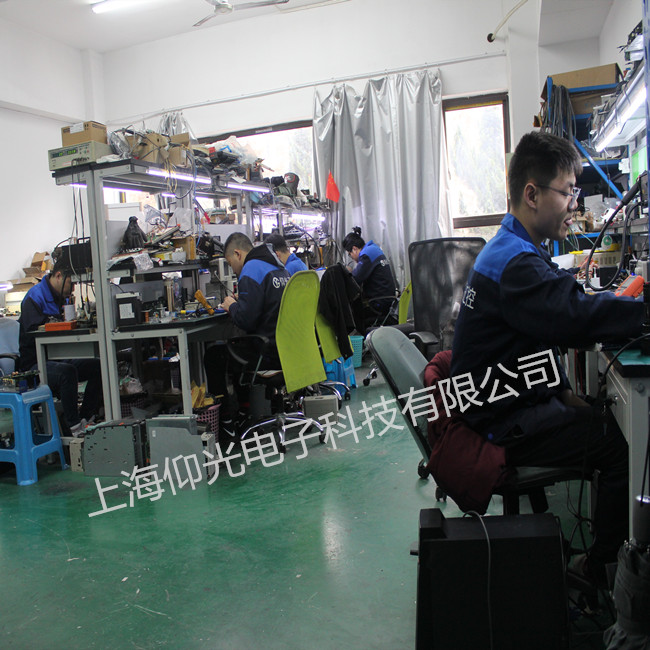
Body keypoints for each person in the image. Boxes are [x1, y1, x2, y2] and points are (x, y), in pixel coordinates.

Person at [450, 130, 644, 586]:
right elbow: (573, 317)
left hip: (492, 399)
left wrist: (562, 392)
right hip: (497, 416)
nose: (574, 204)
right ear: (532, 195)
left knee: (597, 417)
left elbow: (537, 335)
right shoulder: (517, 263)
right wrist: (642, 313)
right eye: (568, 192)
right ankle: (601, 572)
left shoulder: (510, 247)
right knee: (619, 447)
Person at [204, 233, 290, 433]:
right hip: (287, 349)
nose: (233, 269)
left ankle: (226, 420)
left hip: (268, 352)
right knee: (238, 348)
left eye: (230, 263)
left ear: (238, 254)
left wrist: (232, 306)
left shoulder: (250, 269)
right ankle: (244, 411)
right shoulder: (278, 267)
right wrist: (243, 301)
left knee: (215, 355)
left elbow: (246, 320)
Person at [18, 259, 102, 435]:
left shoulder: (59, 296)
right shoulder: (35, 297)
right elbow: (33, 331)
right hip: (35, 365)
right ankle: (73, 427)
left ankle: (86, 417)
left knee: (98, 366)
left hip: (58, 357)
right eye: (71, 283)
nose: (72, 289)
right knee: (67, 372)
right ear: (58, 276)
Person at [342, 227, 397, 328]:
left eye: (350, 254)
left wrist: (348, 272)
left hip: (379, 303)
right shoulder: (373, 248)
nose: (352, 258)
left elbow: (355, 280)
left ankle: (361, 336)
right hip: (387, 299)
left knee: (351, 312)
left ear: (354, 249)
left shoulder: (366, 255)